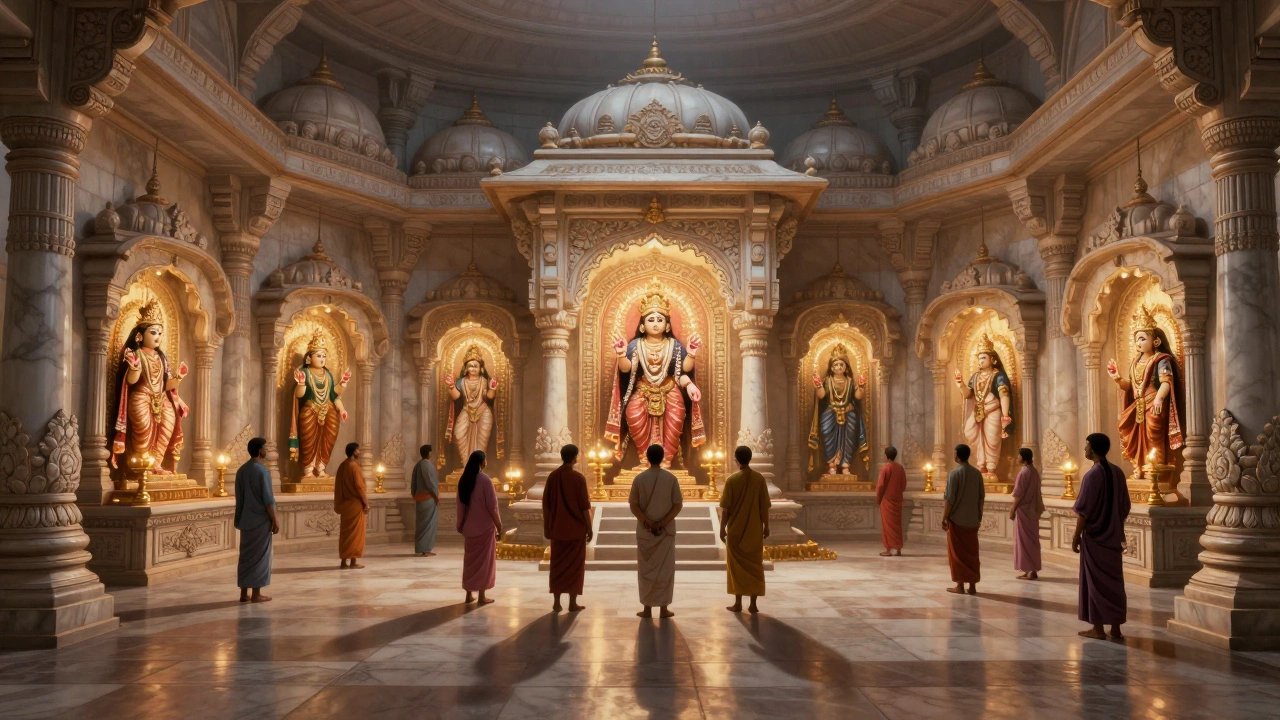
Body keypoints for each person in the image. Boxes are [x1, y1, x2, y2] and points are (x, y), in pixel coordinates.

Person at [1072, 433, 1132, 640]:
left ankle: (1098, 629)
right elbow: (1125, 507)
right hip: (1113, 537)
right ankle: (1115, 628)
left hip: (1095, 539)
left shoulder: (1092, 475)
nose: (1085, 450)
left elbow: (1084, 511)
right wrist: (1113, 525)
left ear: (1094, 449)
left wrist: (1075, 536)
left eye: (1087, 446)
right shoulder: (1118, 473)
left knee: (1094, 583)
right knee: (1114, 582)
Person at [628, 443, 683, 618]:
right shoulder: (671, 479)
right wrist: (662, 523)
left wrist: (646, 522)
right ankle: (664, 609)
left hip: (646, 531)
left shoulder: (639, 479)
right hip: (665, 531)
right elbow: (677, 505)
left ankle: (647, 609)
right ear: (663, 457)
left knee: (645, 570)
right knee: (665, 570)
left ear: (646, 457)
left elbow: (633, 504)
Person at [719, 445, 771, 614]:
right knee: (755, 565)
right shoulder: (759, 479)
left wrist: (722, 528)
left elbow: (725, 509)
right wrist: (767, 526)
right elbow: (764, 507)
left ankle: (738, 602)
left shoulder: (732, 480)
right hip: (754, 530)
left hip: (735, 531)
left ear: (736, 460)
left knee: (735, 567)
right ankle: (753, 604)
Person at [543, 444, 593, 612]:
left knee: (557, 566)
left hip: (557, 528)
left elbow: (546, 505)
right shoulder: (579, 479)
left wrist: (547, 526)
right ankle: (572, 603)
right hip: (576, 529)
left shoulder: (552, 477)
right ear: (575, 458)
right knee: (575, 567)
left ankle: (557, 602)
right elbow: (584, 506)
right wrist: (589, 527)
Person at [234, 437, 278, 603]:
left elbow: (239, 497)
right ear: (260, 450)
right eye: (265, 447)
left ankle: (244, 593)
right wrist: (275, 520)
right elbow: (268, 500)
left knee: (245, 556)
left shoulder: (241, 470)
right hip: (260, 521)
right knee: (260, 557)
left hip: (245, 520)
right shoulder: (262, 471)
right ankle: (256, 594)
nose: (266, 450)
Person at [457, 450, 502, 604]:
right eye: (485, 460)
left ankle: (469, 594)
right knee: (485, 563)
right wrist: (499, 525)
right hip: (485, 529)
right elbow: (492, 507)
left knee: (469, 563)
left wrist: (460, 524)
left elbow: (460, 506)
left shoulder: (464, 480)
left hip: (469, 528)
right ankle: (482, 596)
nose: (486, 463)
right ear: (481, 463)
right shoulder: (485, 480)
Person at [943, 443, 985, 595]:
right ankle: (972, 586)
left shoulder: (954, 474)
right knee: (972, 554)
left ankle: (960, 585)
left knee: (957, 554)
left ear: (958, 456)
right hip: (972, 519)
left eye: (954, 453)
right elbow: (981, 498)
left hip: (957, 520)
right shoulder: (977, 474)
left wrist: (944, 517)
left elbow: (950, 499)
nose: (953, 455)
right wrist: (979, 515)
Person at [1009, 447, 1044, 580]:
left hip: (1024, 511)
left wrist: (1012, 510)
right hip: (1033, 511)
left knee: (1024, 541)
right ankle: (1031, 569)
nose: (1017, 458)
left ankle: (1030, 570)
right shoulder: (1034, 472)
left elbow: (1018, 494)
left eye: (1018, 456)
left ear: (1023, 457)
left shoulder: (1023, 473)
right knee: (1032, 540)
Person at [334, 443, 368, 569]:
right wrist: (366, 503)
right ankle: (353, 561)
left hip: (345, 504)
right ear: (354, 451)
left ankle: (344, 561)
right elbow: (359, 488)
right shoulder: (354, 467)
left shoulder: (342, 466)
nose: (359, 452)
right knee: (356, 533)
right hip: (355, 504)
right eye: (358, 449)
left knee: (345, 533)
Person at [875, 446, 907, 557]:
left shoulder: (886, 468)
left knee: (888, 526)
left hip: (887, 501)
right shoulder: (900, 468)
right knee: (897, 525)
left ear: (885, 456)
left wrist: (878, 499)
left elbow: (881, 486)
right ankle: (898, 549)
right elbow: (903, 484)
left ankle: (889, 549)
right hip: (898, 500)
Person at [411, 444, 440, 557]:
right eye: (431, 452)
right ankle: (426, 549)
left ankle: (421, 548)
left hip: (419, 498)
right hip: (428, 498)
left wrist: (414, 495)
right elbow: (431, 484)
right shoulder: (428, 466)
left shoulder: (417, 465)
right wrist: (436, 496)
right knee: (428, 524)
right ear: (429, 453)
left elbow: (413, 484)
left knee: (421, 524)